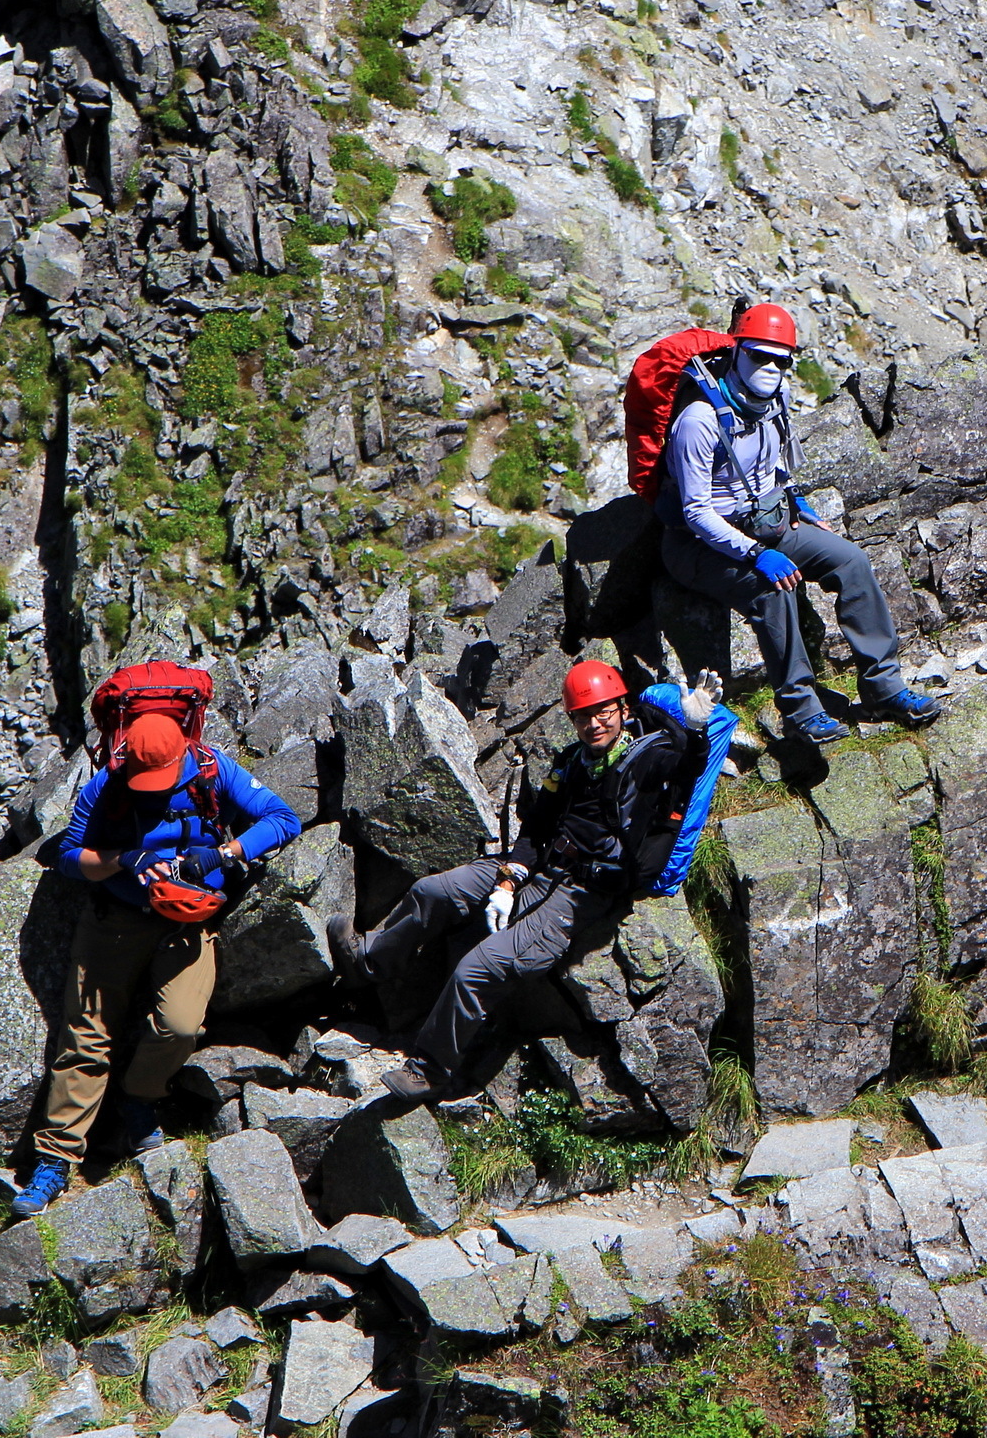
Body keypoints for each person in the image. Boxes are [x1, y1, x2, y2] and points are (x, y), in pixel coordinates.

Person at [326, 661, 718, 1102]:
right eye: (582, 715)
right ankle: (370, 961)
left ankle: (430, 1070)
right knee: (433, 891)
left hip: (583, 893)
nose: (593, 723)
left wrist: (696, 730)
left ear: (623, 709)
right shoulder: (571, 763)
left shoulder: (647, 759)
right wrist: (508, 882)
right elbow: (535, 829)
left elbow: (684, 767)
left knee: (477, 968)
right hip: (540, 869)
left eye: (603, 711)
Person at [10, 707, 304, 1217]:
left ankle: (138, 1099)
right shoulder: (107, 784)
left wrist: (222, 854)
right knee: (84, 1038)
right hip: (115, 918)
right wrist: (125, 860)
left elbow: (284, 819)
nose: (150, 788)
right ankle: (55, 1160)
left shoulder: (213, 768)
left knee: (180, 1025)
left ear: (182, 754)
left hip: (189, 919)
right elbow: (66, 857)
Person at [654, 301, 937, 745]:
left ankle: (884, 687)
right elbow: (696, 511)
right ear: (737, 351)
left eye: (780, 359)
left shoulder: (775, 400)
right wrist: (756, 554)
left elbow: (774, 463)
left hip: (769, 522)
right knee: (773, 589)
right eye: (758, 355)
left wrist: (795, 501)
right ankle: (802, 711)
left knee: (852, 562)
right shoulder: (699, 421)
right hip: (698, 545)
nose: (770, 367)